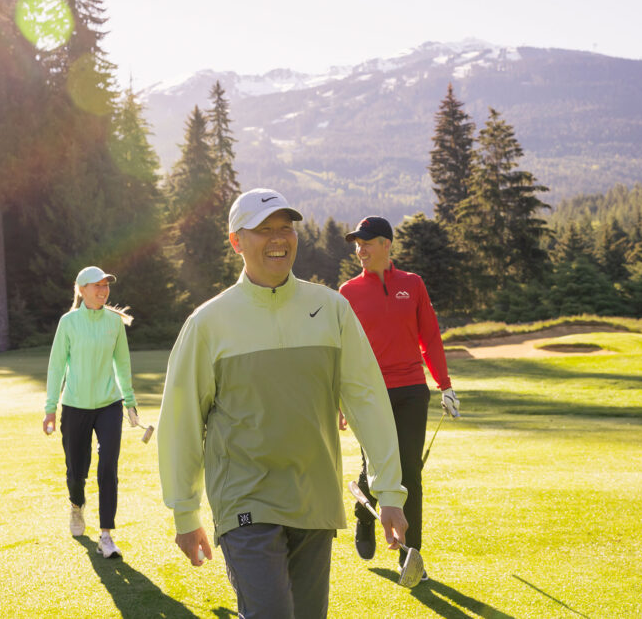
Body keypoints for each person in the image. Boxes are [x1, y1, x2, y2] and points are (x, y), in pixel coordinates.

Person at [158, 188, 408, 619]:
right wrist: (185, 511)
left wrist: (389, 492)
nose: (279, 238)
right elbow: (180, 421)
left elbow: (367, 399)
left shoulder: (331, 309)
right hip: (245, 500)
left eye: (286, 228)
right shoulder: (207, 323)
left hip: (315, 497)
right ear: (237, 240)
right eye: (264, 230)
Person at [338, 216, 460, 572]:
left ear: (387, 244)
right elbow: (341, 349)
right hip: (367, 393)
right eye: (356, 244)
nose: (360, 250)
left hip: (410, 389)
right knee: (371, 466)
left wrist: (446, 385)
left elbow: (430, 338)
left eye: (367, 243)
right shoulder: (348, 292)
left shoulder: (413, 284)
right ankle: (366, 519)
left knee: (409, 472)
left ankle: (412, 557)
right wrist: (341, 399)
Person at [43, 265, 139, 559]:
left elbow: (122, 363)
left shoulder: (113, 322)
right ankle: (76, 505)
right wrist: (50, 409)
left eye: (105, 285)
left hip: (109, 405)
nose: (103, 290)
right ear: (81, 290)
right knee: (76, 471)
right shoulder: (68, 322)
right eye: (96, 286)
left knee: (108, 467)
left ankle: (106, 535)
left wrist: (129, 401)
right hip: (75, 407)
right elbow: (57, 365)